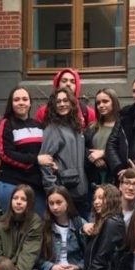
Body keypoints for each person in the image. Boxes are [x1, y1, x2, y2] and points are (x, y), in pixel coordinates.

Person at [0, 86, 46, 215]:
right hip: (11, 183)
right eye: (16, 99)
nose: (21, 102)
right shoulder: (6, 124)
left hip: (35, 185)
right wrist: (35, 160)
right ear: (11, 103)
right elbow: (5, 154)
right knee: (14, 223)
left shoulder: (38, 125)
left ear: (30, 103)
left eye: (25, 99)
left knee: (39, 221)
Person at [39, 87, 90, 215]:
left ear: (72, 103)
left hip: (81, 192)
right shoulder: (52, 130)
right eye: (58, 101)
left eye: (65, 100)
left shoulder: (76, 127)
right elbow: (45, 164)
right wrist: (53, 191)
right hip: (64, 195)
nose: (62, 104)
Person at [0, 184, 43, 270]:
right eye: (15, 198)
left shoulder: (35, 224)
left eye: (23, 199)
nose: (18, 202)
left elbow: (28, 256)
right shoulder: (0, 223)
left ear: (30, 203)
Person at [80, 184, 124, 270]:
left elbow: (101, 258)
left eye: (101, 198)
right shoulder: (102, 222)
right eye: (95, 198)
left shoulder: (112, 223)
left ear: (111, 199)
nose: (96, 202)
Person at [85, 88, 125, 186]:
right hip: (94, 177)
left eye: (105, 101)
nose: (101, 105)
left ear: (114, 102)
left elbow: (126, 151)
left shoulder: (124, 126)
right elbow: (83, 147)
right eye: (98, 103)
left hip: (115, 177)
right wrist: (93, 158)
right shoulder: (92, 127)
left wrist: (104, 153)